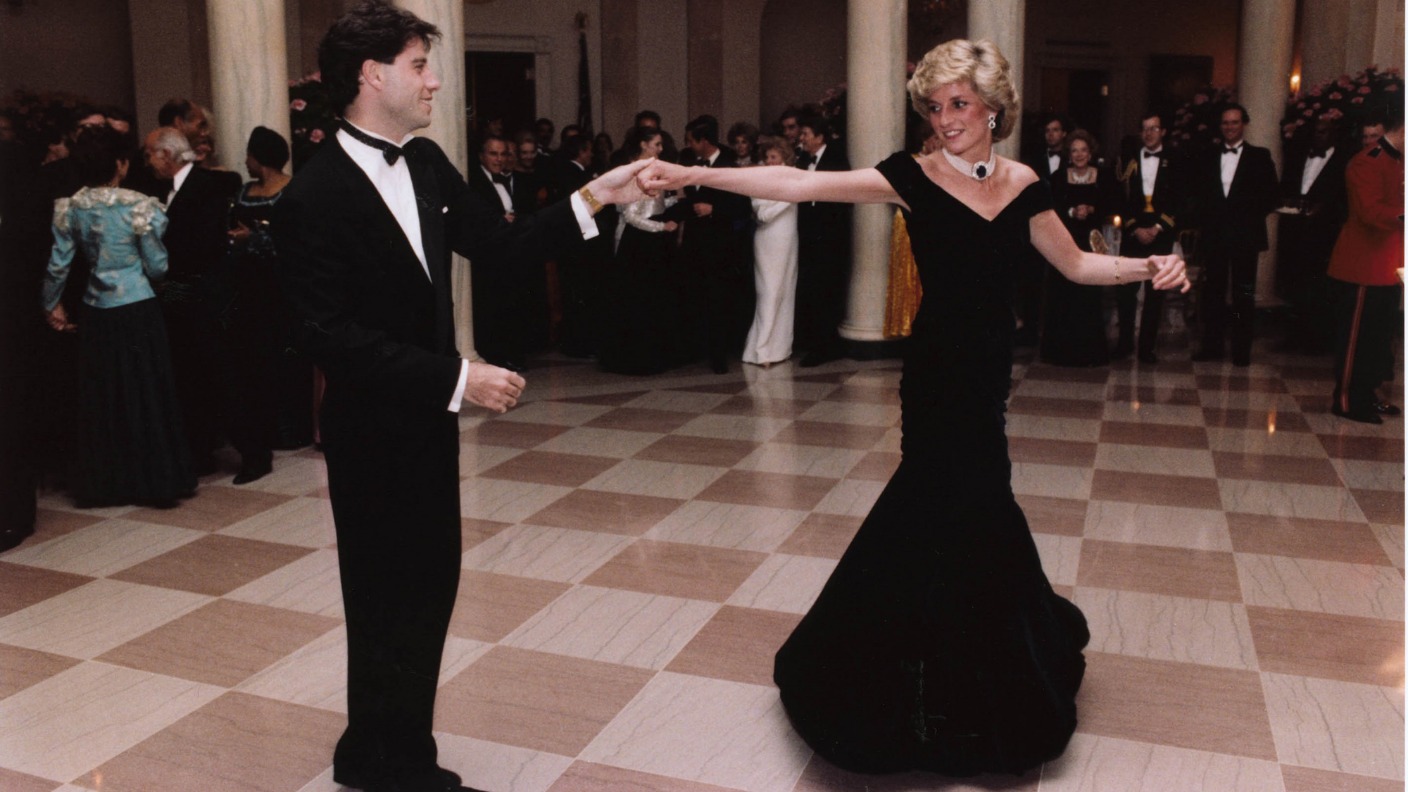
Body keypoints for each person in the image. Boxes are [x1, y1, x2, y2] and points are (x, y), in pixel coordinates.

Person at [640, 38, 1188, 777]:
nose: (945, 118)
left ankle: (985, 666)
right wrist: (691, 172)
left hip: (987, 375)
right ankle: (911, 679)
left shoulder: (1025, 183)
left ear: (993, 108)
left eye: (959, 103)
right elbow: (798, 183)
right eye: (934, 106)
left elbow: (1078, 263)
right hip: (936, 374)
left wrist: (1147, 266)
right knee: (947, 502)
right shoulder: (912, 176)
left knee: (979, 503)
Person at [270, 5, 651, 792]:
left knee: (429, 587)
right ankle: (395, 764)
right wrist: (457, 377)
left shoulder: (427, 162)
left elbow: (504, 246)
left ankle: (375, 750)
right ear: (372, 75)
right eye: (419, 65)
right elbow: (327, 336)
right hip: (370, 431)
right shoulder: (313, 194)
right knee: (384, 596)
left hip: (426, 427)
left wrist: (595, 197)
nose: (434, 81)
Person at [41, 125, 195, 508]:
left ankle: (108, 484)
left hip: (96, 310)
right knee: (146, 392)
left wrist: (51, 304)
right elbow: (157, 267)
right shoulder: (139, 205)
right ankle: (157, 481)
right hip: (138, 307)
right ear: (121, 165)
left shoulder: (71, 207)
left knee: (104, 396)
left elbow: (59, 264)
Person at [144, 125, 241, 474]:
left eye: (150, 154)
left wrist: (169, 280)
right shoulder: (169, 189)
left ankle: (254, 452)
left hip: (204, 295)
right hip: (184, 296)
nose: (148, 161)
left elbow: (205, 246)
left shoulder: (205, 186)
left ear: (166, 155)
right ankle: (200, 453)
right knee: (191, 377)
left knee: (220, 374)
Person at [214, 126, 303, 476]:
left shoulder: (293, 191)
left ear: (259, 156)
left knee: (282, 356)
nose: (245, 161)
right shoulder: (243, 192)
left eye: (249, 154)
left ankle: (287, 429)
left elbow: (296, 242)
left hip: (280, 287)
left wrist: (254, 239)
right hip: (246, 288)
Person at [1326, 104, 1403, 424]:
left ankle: (1367, 393)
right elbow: (1370, 213)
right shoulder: (1366, 161)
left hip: (1389, 265)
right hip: (1363, 266)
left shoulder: (1399, 161)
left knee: (1378, 339)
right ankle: (1346, 400)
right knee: (1356, 339)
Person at [1191, 103, 1279, 365]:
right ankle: (1212, 347)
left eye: (1235, 122)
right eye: (1226, 123)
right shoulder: (1207, 155)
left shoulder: (1260, 156)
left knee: (1244, 294)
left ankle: (1241, 351)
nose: (1230, 127)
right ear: (1220, 126)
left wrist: (1244, 216)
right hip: (1215, 236)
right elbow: (1199, 195)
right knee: (1213, 294)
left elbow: (1271, 197)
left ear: (1244, 124)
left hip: (1245, 237)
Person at [597, 127, 683, 374]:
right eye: (656, 144)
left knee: (651, 299)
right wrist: (661, 226)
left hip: (651, 244)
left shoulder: (653, 170)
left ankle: (653, 355)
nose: (660, 148)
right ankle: (634, 358)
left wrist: (676, 199)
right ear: (644, 145)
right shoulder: (632, 173)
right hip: (637, 243)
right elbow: (631, 216)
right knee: (637, 300)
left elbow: (654, 203)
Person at [1116, 111, 1185, 364]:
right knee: (1126, 291)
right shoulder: (1128, 159)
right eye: (1145, 128)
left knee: (1155, 294)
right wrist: (1134, 228)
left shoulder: (1175, 160)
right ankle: (1124, 343)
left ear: (1163, 132)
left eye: (1154, 128)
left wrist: (1157, 227)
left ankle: (1147, 348)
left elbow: (1180, 197)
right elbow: (1119, 196)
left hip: (1160, 234)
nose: (1149, 133)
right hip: (1133, 234)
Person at [1043, 128, 1115, 367]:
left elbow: (1113, 204)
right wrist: (1072, 211)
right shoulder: (1058, 177)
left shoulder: (1103, 176)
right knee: (1064, 294)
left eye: (1083, 150)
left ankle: (1089, 353)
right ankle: (1061, 353)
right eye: (1074, 151)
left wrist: (1093, 210)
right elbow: (1050, 208)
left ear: (1090, 152)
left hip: (1091, 243)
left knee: (1089, 296)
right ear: (1069, 153)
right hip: (1065, 241)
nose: (1079, 154)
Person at [794, 113, 851, 366]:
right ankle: (814, 341)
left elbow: (843, 197)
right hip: (809, 234)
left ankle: (826, 346)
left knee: (828, 289)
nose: (802, 138)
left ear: (819, 137)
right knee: (812, 288)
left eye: (806, 134)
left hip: (830, 236)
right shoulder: (802, 160)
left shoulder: (837, 159)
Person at [742, 137, 799, 366]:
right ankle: (760, 351)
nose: (769, 161)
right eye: (767, 157)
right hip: (768, 241)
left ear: (784, 157)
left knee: (786, 291)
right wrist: (790, 198)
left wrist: (792, 194)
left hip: (789, 240)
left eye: (774, 157)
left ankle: (781, 349)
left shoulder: (794, 177)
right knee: (769, 293)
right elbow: (763, 215)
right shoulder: (759, 180)